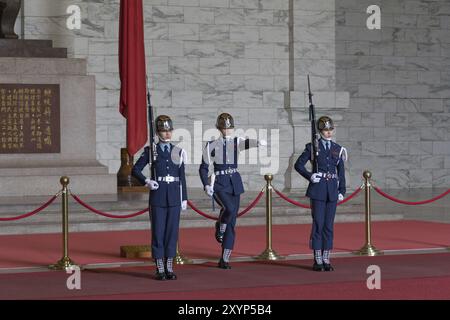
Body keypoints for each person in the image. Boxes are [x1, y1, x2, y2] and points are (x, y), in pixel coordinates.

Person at [199, 113, 266, 269]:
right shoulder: (211, 145)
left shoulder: (237, 142)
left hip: (234, 183)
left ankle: (225, 258)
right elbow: (203, 167)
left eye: (229, 128)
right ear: (218, 128)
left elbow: (246, 143)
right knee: (228, 209)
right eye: (224, 127)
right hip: (219, 183)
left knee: (232, 222)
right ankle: (220, 224)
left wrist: (258, 143)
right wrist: (206, 184)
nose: (227, 130)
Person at [132, 115, 188, 280]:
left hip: (174, 197)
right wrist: (147, 181)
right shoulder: (151, 151)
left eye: (169, 130)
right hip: (158, 197)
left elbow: (181, 177)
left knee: (172, 232)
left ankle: (169, 266)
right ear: (157, 132)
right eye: (163, 131)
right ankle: (159, 267)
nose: (167, 134)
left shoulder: (178, 151)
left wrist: (184, 197)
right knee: (158, 232)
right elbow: (135, 170)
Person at [294, 116, 347, 272]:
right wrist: (310, 176)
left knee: (328, 226)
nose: (328, 133)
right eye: (325, 130)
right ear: (320, 131)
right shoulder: (312, 147)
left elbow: (341, 172)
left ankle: (326, 257)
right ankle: (317, 258)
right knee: (318, 224)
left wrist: (341, 190)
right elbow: (298, 165)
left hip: (332, 191)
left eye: (330, 129)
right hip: (318, 190)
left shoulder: (338, 148)